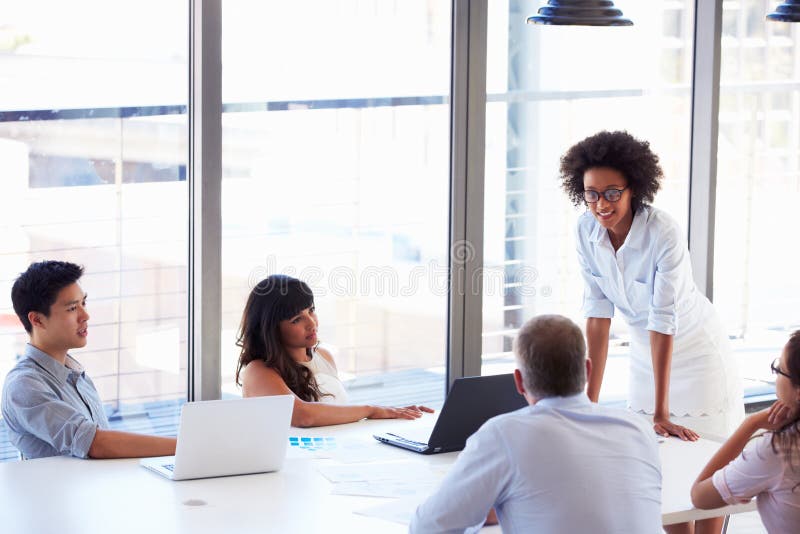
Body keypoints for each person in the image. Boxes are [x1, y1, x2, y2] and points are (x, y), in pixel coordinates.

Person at [560, 130, 743, 441]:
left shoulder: (663, 233)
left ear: (634, 189)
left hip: (695, 354)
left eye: (613, 193)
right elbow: (598, 314)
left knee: (702, 459)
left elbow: (662, 319)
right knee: (649, 457)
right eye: (592, 193)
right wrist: (588, 403)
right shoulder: (584, 230)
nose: (601, 204)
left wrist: (662, 411)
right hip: (645, 358)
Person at [410, 314, 662, 534]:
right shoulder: (637, 428)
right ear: (587, 370)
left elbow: (428, 527)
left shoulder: (505, 434)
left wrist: (487, 506)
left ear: (518, 381)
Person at [1, 261, 176, 460]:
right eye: (72, 308)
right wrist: (186, 446)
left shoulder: (75, 375)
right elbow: (96, 444)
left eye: (83, 303)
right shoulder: (24, 386)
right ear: (37, 320)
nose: (85, 315)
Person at [235, 274, 433, 427]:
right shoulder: (258, 371)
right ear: (270, 329)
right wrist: (371, 410)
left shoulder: (324, 356)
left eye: (311, 310)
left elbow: (337, 415)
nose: (311, 323)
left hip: (335, 456)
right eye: (297, 319)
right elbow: (303, 416)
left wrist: (394, 414)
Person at [692, 331, 800, 534]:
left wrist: (751, 423)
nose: (775, 376)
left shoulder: (778, 451)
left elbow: (700, 497)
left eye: (778, 369)